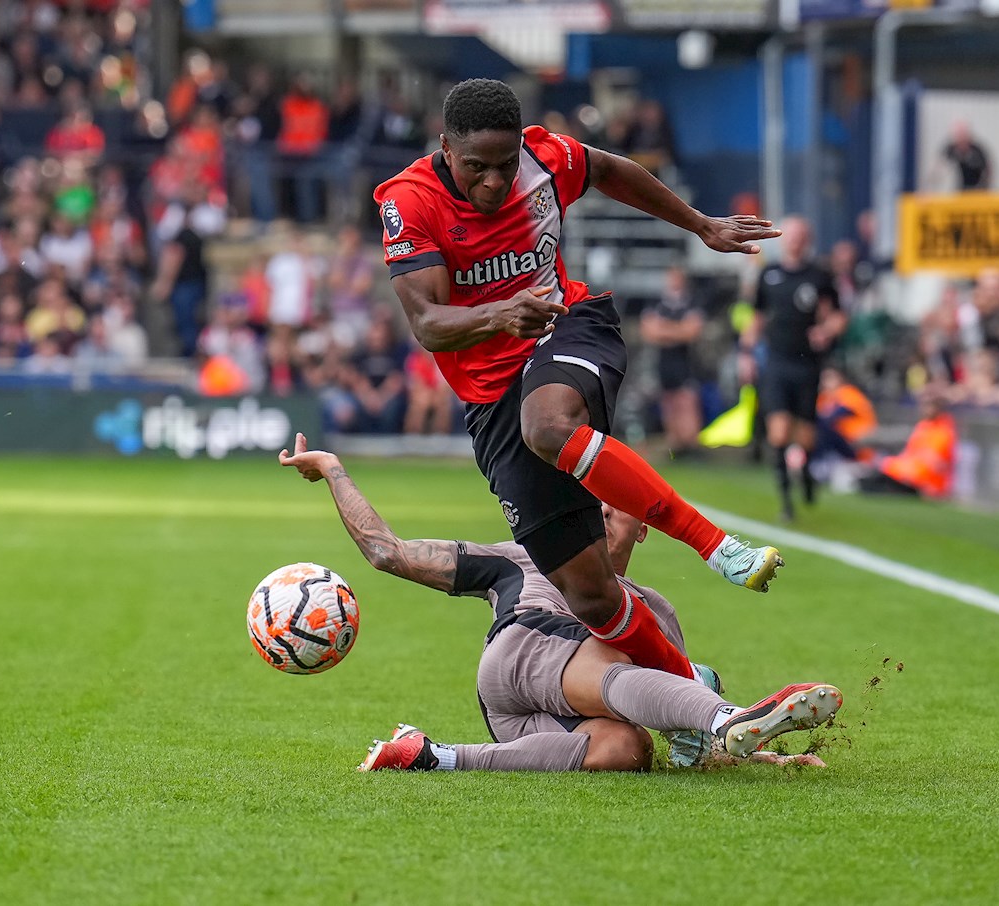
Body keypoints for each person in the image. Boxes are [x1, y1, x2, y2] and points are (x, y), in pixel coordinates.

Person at [373, 79, 783, 686]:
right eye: (477, 167)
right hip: (490, 394)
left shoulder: (546, 157)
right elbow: (429, 325)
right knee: (589, 593)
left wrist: (699, 225)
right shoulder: (409, 202)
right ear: (446, 147)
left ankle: (717, 546)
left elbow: (610, 170)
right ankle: (689, 692)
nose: (494, 182)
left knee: (547, 426)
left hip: (565, 325)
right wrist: (499, 314)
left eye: (505, 164)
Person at [278, 434, 841, 772]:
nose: (601, 508)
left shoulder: (655, 610)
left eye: (617, 500)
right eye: (591, 497)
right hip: (521, 654)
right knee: (627, 658)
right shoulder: (521, 556)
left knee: (627, 750)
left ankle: (433, 756)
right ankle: (727, 716)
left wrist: (763, 756)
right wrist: (332, 470)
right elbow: (388, 553)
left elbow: (675, 723)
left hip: (529, 726)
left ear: (643, 526)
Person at [742, 216, 847, 522]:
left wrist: (826, 331)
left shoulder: (819, 275)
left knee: (805, 435)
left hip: (807, 362)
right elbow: (757, 316)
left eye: (801, 236)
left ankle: (807, 474)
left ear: (808, 240)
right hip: (777, 360)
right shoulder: (769, 274)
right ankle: (786, 501)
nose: (795, 241)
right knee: (778, 430)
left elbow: (838, 316)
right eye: (791, 236)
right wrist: (746, 353)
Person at [639, 265, 705, 456]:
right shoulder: (657, 303)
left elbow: (691, 332)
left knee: (687, 400)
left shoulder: (691, 302)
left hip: (685, 362)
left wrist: (664, 329)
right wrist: (677, 329)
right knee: (668, 402)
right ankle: (675, 445)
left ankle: (690, 445)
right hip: (663, 362)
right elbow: (649, 332)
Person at [857, 388, 956, 498]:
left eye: (928, 405)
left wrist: (904, 466)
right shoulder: (924, 426)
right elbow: (910, 452)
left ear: (938, 408)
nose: (923, 408)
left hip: (925, 482)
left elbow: (934, 462)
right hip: (909, 472)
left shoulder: (944, 431)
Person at [939, 122, 990, 191]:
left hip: (975, 191)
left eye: (963, 135)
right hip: (954, 191)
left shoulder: (977, 152)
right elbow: (938, 169)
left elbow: (987, 170)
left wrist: (983, 187)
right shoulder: (948, 151)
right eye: (959, 135)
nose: (962, 138)